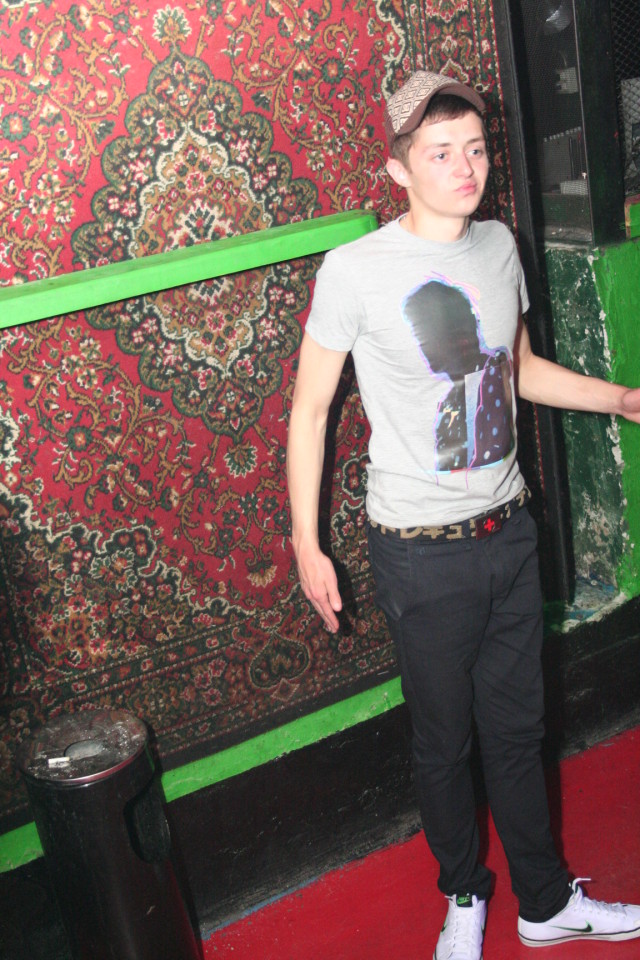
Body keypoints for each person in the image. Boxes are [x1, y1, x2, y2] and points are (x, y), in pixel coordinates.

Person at [286, 69, 640, 960]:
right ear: (399, 169)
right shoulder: (356, 271)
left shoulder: (499, 246)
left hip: (509, 533)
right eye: (441, 153)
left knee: (519, 731)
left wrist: (618, 397)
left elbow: (517, 368)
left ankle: (545, 902)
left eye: (476, 148)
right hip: (420, 553)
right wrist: (306, 543)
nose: (466, 167)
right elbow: (311, 410)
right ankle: (464, 895)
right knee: (444, 744)